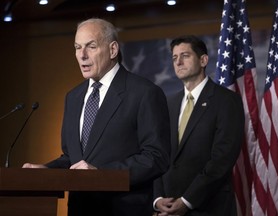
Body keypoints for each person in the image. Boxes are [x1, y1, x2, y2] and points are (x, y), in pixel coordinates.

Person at [23, 18, 171, 216]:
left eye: (91, 47)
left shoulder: (144, 92)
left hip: (123, 210)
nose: (82, 55)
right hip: (80, 210)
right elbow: (72, 158)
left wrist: (102, 174)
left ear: (112, 50)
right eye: (77, 47)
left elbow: (156, 157)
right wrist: (47, 170)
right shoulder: (73, 97)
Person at [153, 35, 244, 216]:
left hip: (209, 207)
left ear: (203, 60)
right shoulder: (168, 103)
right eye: (174, 57)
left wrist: (187, 201)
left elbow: (222, 159)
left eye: (185, 56)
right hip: (167, 208)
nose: (178, 62)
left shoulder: (226, 100)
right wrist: (157, 199)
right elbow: (158, 154)